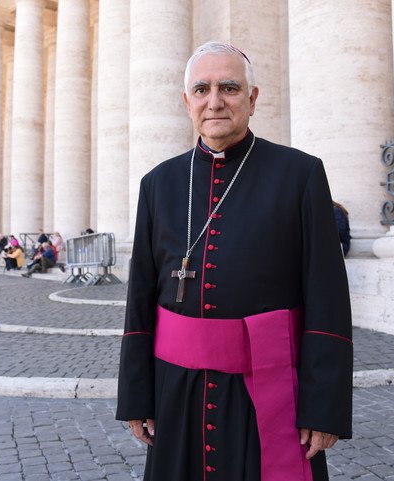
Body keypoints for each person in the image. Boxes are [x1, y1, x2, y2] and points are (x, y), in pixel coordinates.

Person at [116, 42, 353, 481]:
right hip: (178, 391)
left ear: (253, 98)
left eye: (229, 87)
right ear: (187, 102)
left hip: (269, 390)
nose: (215, 101)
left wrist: (325, 406)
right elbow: (140, 297)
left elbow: (328, 295)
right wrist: (136, 395)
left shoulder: (300, 175)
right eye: (202, 89)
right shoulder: (158, 183)